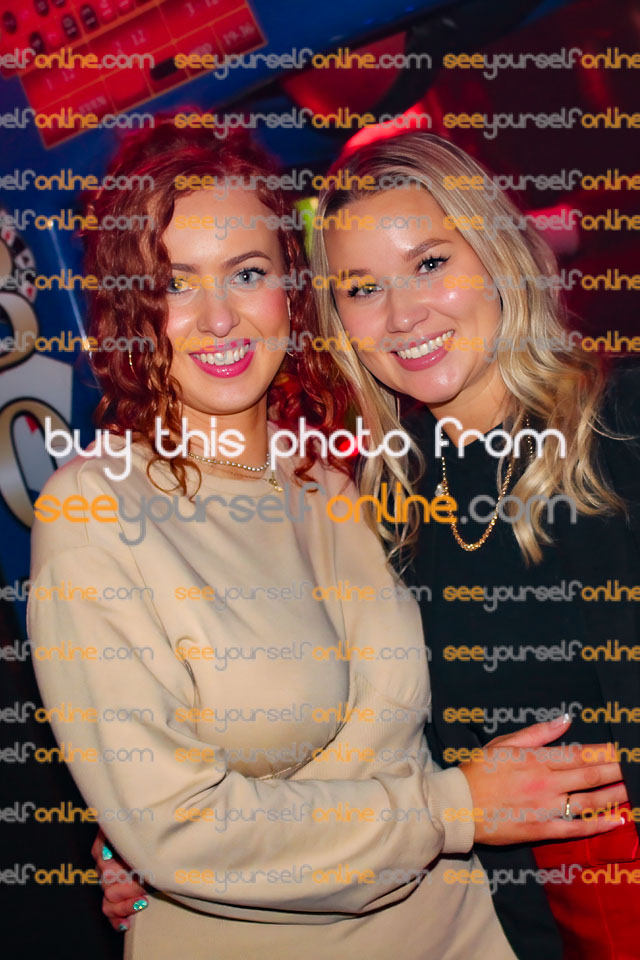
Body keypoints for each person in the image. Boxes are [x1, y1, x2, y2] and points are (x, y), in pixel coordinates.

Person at [40, 122, 624, 959]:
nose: (218, 318)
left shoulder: (343, 484)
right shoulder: (96, 511)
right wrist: (146, 836)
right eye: (175, 284)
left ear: (292, 292)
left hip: (477, 932)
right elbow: (179, 827)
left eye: (247, 273)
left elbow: (427, 724)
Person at [308, 131, 640, 959]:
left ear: (497, 256)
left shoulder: (623, 427)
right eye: (362, 288)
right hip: (516, 927)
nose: (402, 315)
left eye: (430, 263)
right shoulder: (381, 510)